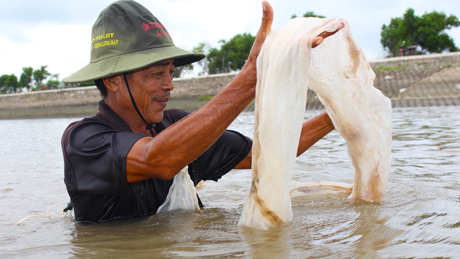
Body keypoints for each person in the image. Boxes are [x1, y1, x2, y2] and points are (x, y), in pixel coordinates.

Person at [61, 0, 342, 223]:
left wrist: (339, 113)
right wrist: (249, 79)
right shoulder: (83, 141)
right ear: (112, 80)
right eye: (156, 74)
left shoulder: (182, 130)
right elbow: (158, 158)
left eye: (171, 72)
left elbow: (271, 151)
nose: (169, 85)